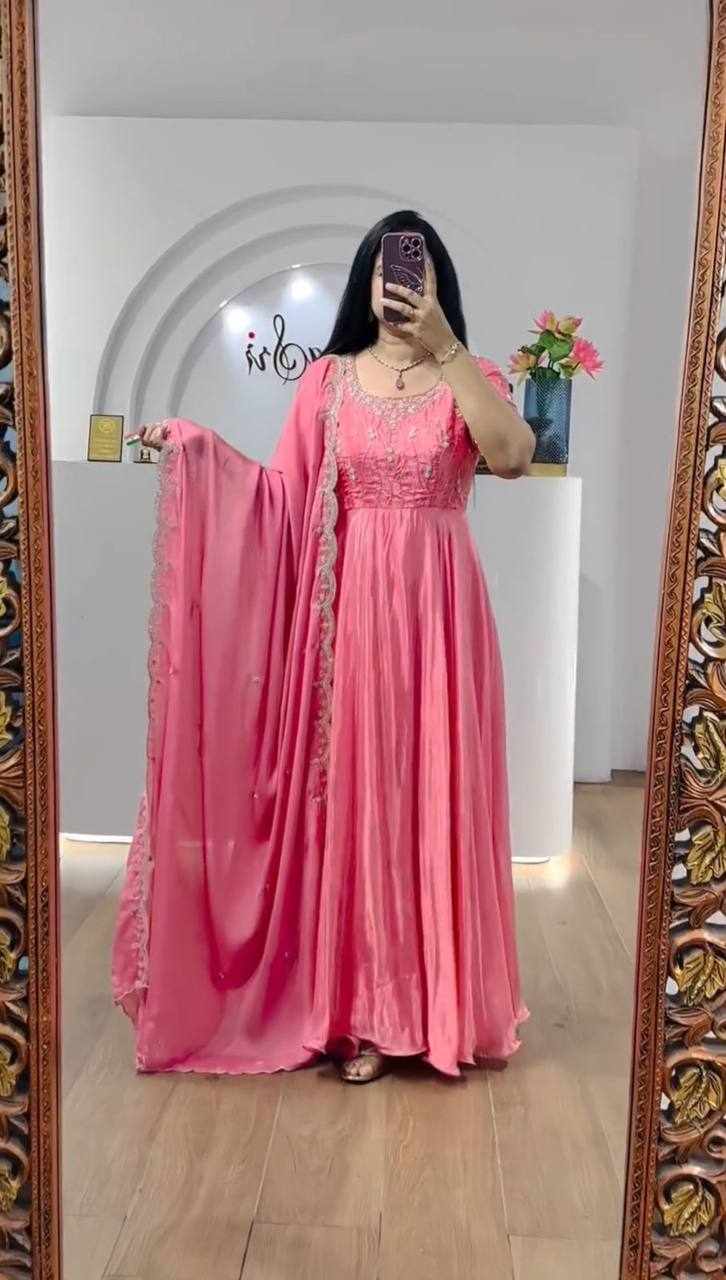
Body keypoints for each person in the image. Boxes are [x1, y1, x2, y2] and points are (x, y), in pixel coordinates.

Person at [113, 209, 534, 1084]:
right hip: (350, 620)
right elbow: (282, 499)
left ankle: (438, 1011)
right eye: (384, 267)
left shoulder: (471, 375)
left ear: (436, 282)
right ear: (364, 281)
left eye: (413, 268)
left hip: (442, 619)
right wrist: (199, 452)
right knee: (362, 800)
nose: (397, 282)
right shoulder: (328, 382)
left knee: (435, 792)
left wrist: (448, 347)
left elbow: (512, 456)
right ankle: (363, 1016)